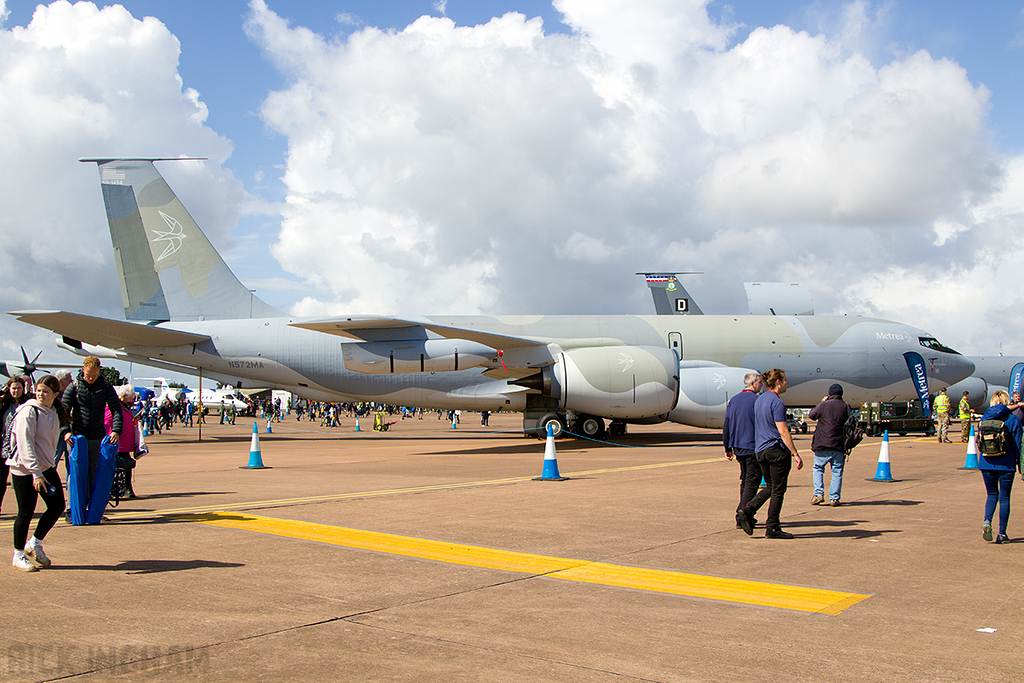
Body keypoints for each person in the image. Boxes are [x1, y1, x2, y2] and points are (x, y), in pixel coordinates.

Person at [7, 375, 70, 571]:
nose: (41, 394)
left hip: (44, 467)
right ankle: (18, 555)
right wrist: (35, 473)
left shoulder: (53, 411)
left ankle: (34, 543)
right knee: (25, 512)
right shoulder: (28, 411)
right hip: (25, 468)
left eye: (46, 391)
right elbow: (25, 444)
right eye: (39, 390)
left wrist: (44, 468)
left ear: (55, 394)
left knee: (57, 505)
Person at [736, 369, 803, 539]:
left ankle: (748, 510)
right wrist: (795, 453)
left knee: (771, 487)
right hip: (776, 450)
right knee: (778, 490)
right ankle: (772, 526)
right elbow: (783, 431)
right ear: (778, 382)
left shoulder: (760, 400)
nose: (787, 382)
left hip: (761, 451)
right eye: (785, 380)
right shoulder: (777, 402)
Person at [61, 356, 121, 494]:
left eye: (94, 375)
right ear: (83, 370)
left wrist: (116, 430)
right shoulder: (74, 386)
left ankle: (93, 511)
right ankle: (72, 510)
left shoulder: (106, 387)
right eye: (88, 375)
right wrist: (66, 432)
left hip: (97, 436)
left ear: (99, 371)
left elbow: (116, 409)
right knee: (74, 475)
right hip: (76, 437)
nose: (90, 378)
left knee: (95, 474)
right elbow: (63, 410)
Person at [977, 391, 1022, 544]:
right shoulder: (1013, 419)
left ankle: (987, 521)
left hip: (986, 463)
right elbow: (1018, 445)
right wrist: (1019, 464)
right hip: (1006, 464)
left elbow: (979, 441)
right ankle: (1002, 533)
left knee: (991, 495)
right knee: (1004, 497)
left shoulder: (984, 419)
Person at [724, 372, 763, 527]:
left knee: (745, 481)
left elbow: (727, 424)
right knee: (752, 482)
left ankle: (746, 513)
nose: (762, 385)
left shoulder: (734, 400)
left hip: (738, 446)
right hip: (752, 446)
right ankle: (742, 513)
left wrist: (727, 446)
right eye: (760, 382)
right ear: (753, 383)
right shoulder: (757, 401)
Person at [808, 384, 851, 506]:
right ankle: (834, 498)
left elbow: (812, 415)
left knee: (818, 468)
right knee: (837, 471)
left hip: (822, 443)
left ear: (829, 394)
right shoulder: (845, 406)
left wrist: (821, 402)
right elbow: (850, 421)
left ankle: (818, 494)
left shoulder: (823, 405)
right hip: (839, 444)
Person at [2, 377, 30, 515]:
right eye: (13, 388)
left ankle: (23, 509)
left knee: (20, 481)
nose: (16, 391)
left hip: (19, 448)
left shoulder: (28, 404)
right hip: (4, 447)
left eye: (19, 388)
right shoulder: (4, 403)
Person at [105, 385, 139, 499]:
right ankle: (118, 489)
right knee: (119, 465)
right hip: (118, 441)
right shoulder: (114, 406)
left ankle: (126, 488)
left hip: (126, 441)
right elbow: (108, 422)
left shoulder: (126, 406)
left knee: (127, 464)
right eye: (131, 397)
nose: (132, 399)